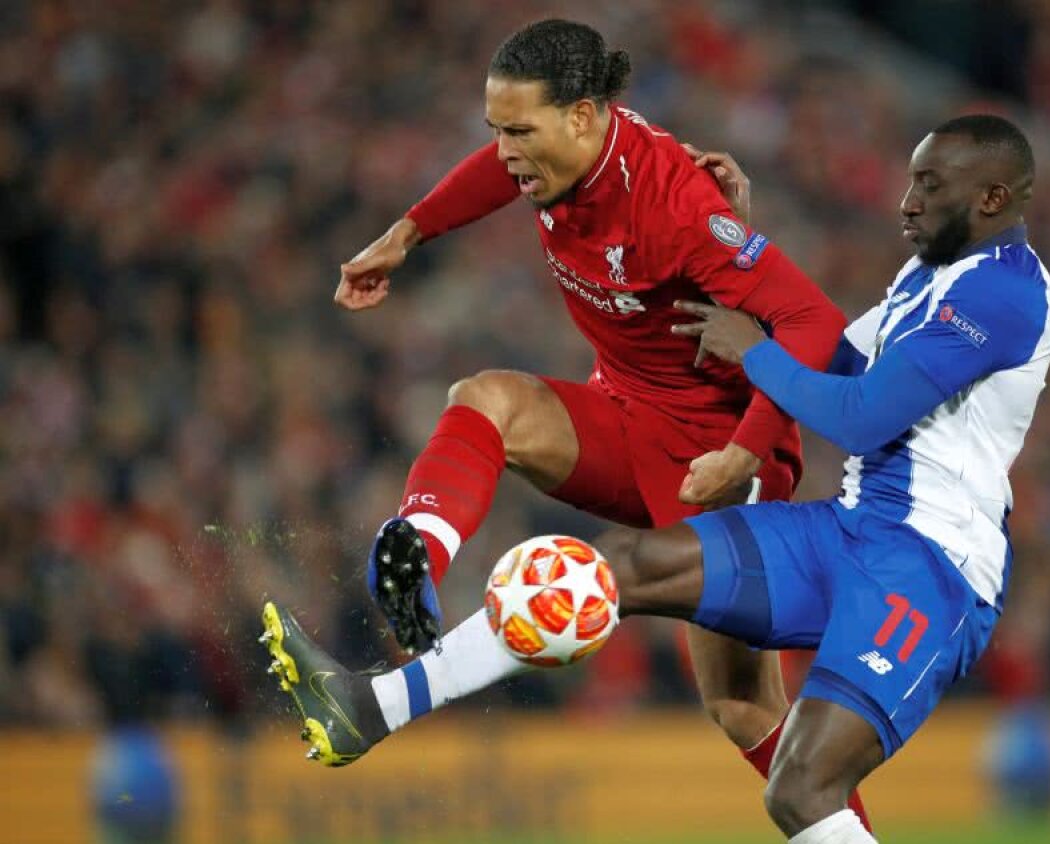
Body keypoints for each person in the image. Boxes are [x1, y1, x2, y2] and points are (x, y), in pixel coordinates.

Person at [263, 112, 1050, 842]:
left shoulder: (1006, 294)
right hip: (848, 530)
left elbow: (858, 416)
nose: (907, 202)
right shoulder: (928, 277)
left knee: (801, 789)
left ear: (991, 198)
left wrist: (758, 353)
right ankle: (372, 707)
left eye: (929, 185)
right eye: (911, 179)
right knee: (617, 569)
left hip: (930, 567)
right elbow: (832, 360)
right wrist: (739, 248)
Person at [263, 17, 873, 828]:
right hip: (623, 418)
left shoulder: (677, 200)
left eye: (521, 130)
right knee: (487, 399)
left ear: (583, 116)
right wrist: (407, 233)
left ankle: (854, 832)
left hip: (714, 462)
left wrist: (741, 453)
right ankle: (421, 552)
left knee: (741, 707)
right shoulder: (549, 164)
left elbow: (814, 323)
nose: (507, 152)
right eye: (497, 130)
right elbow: (493, 172)